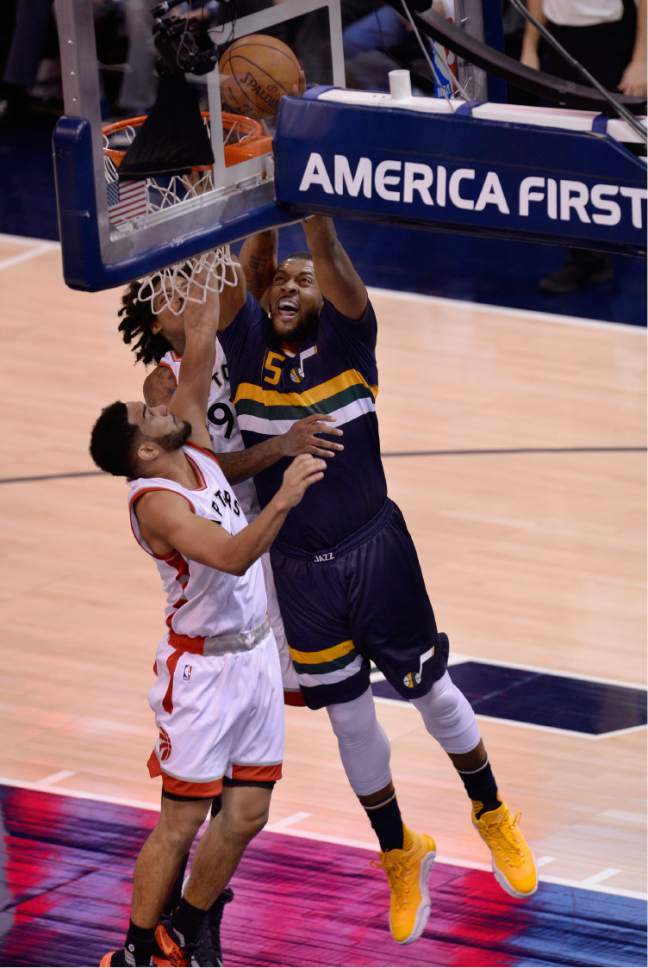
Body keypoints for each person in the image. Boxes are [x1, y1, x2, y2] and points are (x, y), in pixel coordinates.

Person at [142, 218, 537, 947]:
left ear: (328, 298)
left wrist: (312, 208)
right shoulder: (249, 347)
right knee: (352, 719)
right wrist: (257, 201)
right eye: (280, 281)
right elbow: (213, 452)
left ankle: (492, 811)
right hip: (298, 571)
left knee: (430, 691)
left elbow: (329, 257)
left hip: (375, 551)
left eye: (305, 280)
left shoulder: (352, 343)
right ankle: (398, 849)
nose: (292, 285)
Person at [90, 278, 327, 967]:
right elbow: (228, 555)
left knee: (249, 812)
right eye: (148, 414)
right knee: (183, 818)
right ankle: (136, 949)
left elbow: (199, 337)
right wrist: (281, 498)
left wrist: (201, 252)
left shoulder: (185, 438)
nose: (160, 406)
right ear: (143, 449)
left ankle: (184, 932)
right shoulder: (155, 503)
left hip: (252, 657)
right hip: (200, 672)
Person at [520, 0, 647, 293]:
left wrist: (642, 60)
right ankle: (585, 257)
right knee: (565, 151)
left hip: (609, 40)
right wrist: (529, 48)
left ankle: (625, 243)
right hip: (558, 41)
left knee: (618, 148)